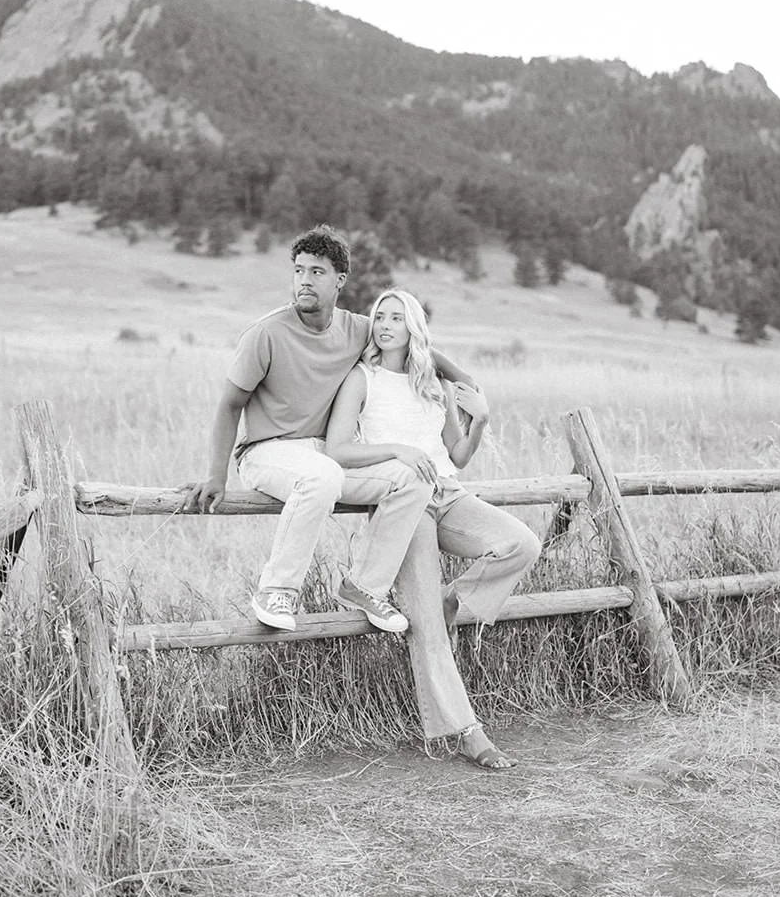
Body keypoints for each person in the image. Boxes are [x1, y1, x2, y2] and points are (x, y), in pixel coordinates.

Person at [184, 225, 473, 634]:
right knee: (322, 476)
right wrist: (216, 474)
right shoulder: (266, 334)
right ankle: (276, 590)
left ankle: (365, 586)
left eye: (316, 272)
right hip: (269, 451)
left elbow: (412, 344)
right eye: (299, 270)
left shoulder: (355, 329)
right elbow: (230, 405)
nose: (304, 280)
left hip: (325, 452)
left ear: (339, 280)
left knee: (412, 476)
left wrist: (463, 380)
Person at [325, 287, 542, 770]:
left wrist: (480, 422)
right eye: (380, 316)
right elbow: (337, 450)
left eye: (396, 318)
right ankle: (468, 731)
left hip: (448, 493)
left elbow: (458, 455)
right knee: (425, 626)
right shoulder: (362, 379)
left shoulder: (432, 384)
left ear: (413, 328)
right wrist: (397, 451)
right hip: (406, 503)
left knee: (520, 543)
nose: (384, 325)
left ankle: (452, 601)